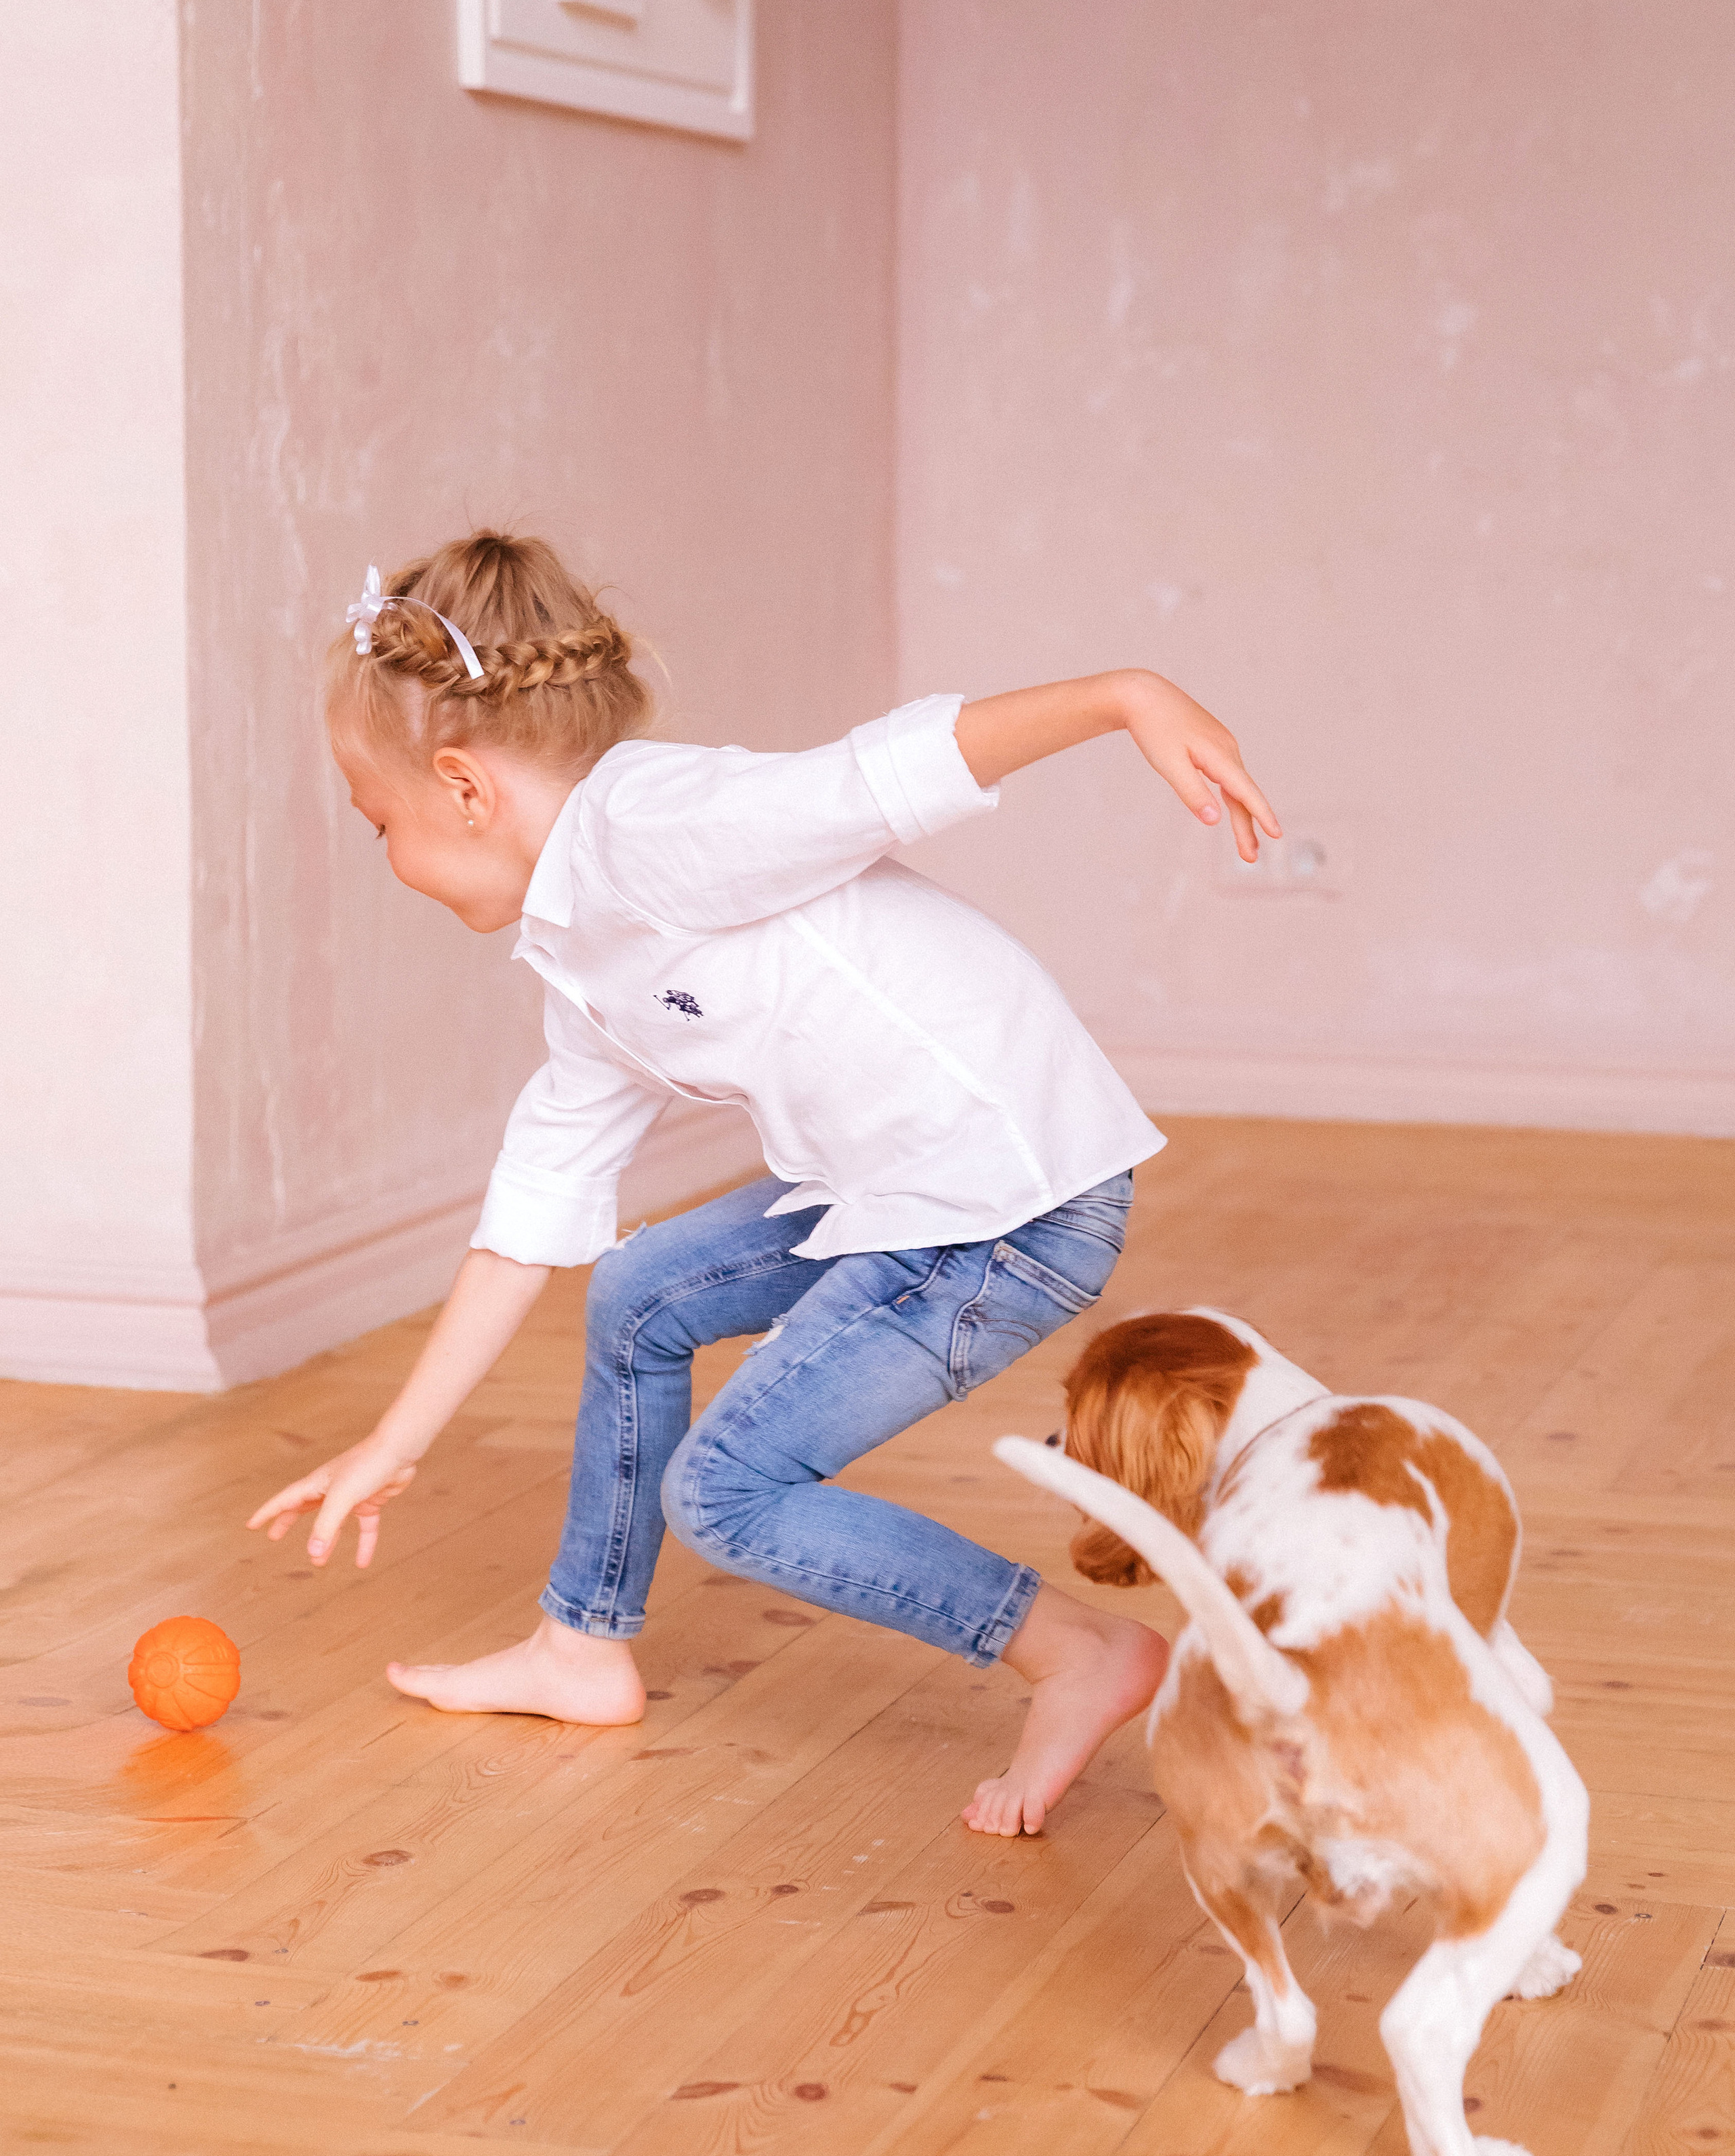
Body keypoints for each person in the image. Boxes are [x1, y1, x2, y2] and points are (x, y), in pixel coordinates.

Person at [247, 532, 1280, 1835]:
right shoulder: (585, 958)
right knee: (638, 1288)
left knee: (730, 1493)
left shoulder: (656, 828)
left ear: (460, 786)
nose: (383, 854)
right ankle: (580, 1646)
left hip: (1005, 1215)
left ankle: (1077, 1652)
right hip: (896, 1191)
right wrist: (391, 1446)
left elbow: (881, 778)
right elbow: (533, 1213)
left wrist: (1125, 694)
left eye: (375, 821)